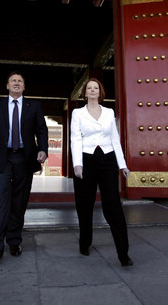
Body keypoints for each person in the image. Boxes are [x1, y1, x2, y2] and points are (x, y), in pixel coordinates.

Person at [0, 71, 48, 261]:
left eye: (20, 81)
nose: (17, 83)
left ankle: (14, 241)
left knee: (19, 202)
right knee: (0, 201)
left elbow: (41, 130)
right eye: (13, 81)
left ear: (24, 86)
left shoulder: (33, 106)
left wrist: (43, 150)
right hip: (3, 158)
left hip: (25, 158)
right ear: (7, 86)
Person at [70, 78, 133, 267]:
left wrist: (122, 165)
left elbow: (115, 139)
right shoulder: (77, 113)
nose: (92, 90)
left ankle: (123, 253)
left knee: (113, 205)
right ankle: (85, 243)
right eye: (89, 88)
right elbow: (75, 138)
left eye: (95, 87)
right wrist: (77, 164)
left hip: (107, 160)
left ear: (100, 91)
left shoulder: (109, 112)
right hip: (86, 160)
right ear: (85, 92)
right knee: (84, 204)